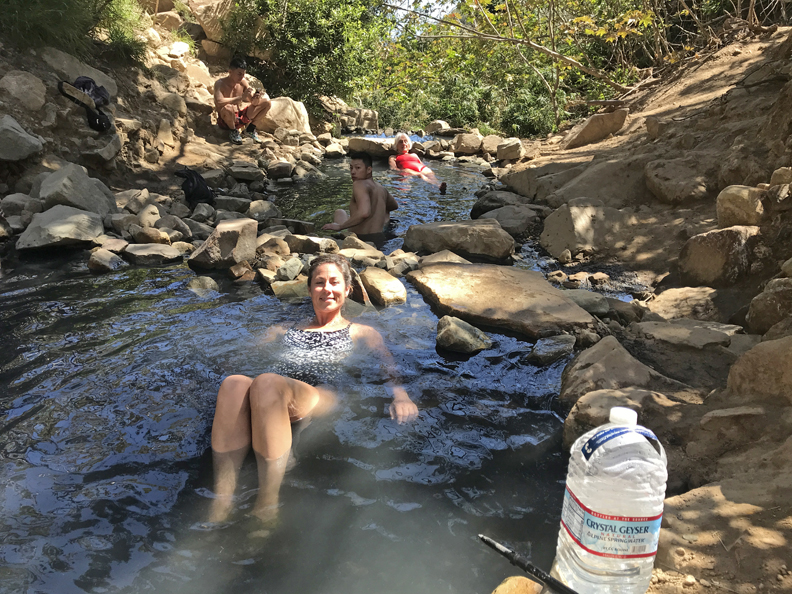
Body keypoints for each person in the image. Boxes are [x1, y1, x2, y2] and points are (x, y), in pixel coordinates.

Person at [209, 254, 418, 525]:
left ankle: (267, 505)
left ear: (347, 290)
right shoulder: (282, 330)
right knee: (234, 383)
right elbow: (241, 358)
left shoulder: (361, 331)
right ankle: (221, 502)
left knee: (268, 382)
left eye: (334, 282)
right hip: (275, 390)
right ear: (309, 290)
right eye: (319, 282)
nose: (326, 289)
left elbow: (386, 364)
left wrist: (401, 395)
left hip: (323, 392)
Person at [322, 151, 399, 248]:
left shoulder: (359, 184)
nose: (353, 172)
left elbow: (364, 213)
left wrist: (340, 227)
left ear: (369, 169)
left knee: (339, 212)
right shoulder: (382, 189)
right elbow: (394, 206)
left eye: (358, 168)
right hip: (380, 241)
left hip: (359, 240)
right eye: (351, 168)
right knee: (340, 212)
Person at [213, 56, 271, 145]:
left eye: (243, 74)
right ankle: (233, 131)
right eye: (239, 74)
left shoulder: (243, 82)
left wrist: (256, 98)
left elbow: (254, 103)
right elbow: (219, 101)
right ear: (230, 72)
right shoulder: (220, 83)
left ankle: (250, 129)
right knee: (228, 108)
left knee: (267, 103)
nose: (241, 77)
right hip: (226, 119)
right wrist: (240, 98)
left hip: (239, 117)